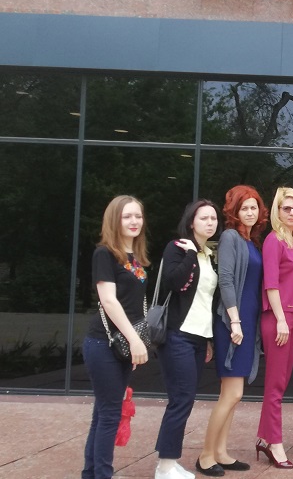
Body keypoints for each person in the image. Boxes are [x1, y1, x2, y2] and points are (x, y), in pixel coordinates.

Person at [197, 186, 267, 476]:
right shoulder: (230, 237)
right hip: (233, 323)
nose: (250, 212)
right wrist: (235, 321)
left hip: (247, 322)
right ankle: (205, 455)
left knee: (232, 394)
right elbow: (226, 280)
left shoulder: (251, 241)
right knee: (232, 393)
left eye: (253, 207)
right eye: (244, 208)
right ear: (234, 212)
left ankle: (221, 452)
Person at [82, 196, 150, 479]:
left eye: (138, 216)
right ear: (114, 220)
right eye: (127, 216)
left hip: (122, 345)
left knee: (103, 414)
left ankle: (92, 473)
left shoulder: (135, 257)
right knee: (110, 415)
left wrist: (134, 342)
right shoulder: (105, 254)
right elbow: (109, 301)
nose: (134, 221)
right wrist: (134, 340)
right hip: (103, 344)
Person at [155, 200, 220, 479]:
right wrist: (191, 254)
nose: (210, 222)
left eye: (213, 218)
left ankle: (169, 462)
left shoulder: (208, 255)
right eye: (204, 218)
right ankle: (165, 466)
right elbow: (173, 281)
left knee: (185, 399)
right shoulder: (178, 248)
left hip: (198, 337)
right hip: (177, 335)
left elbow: (205, 301)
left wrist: (209, 339)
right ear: (191, 221)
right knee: (181, 399)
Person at [256, 187, 293, 470]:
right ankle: (274, 443)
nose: (292, 213)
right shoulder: (274, 240)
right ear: (277, 211)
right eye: (286, 208)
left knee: (280, 381)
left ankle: (264, 437)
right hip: (279, 317)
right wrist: (279, 319)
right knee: (276, 385)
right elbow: (272, 283)